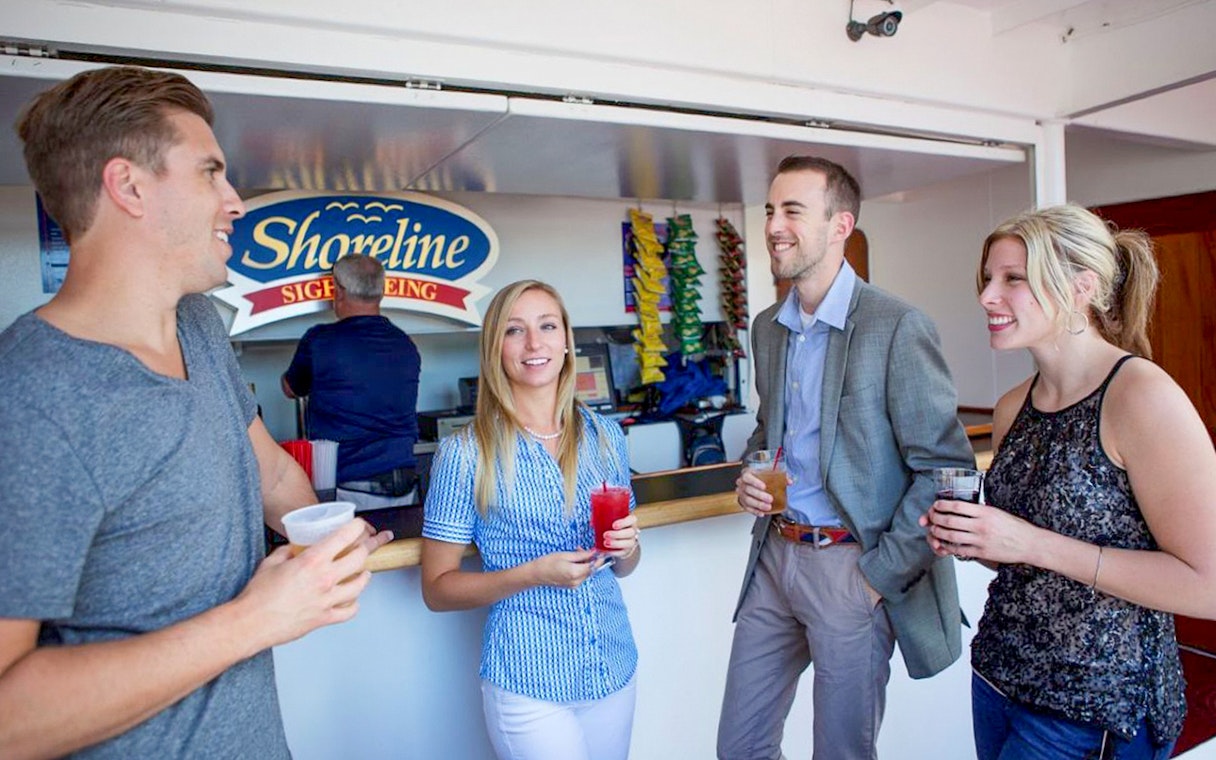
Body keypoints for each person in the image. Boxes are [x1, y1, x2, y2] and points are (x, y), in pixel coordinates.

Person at [0, 65, 392, 759]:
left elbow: (270, 473)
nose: (235, 200)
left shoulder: (200, 326)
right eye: (210, 172)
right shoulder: (31, 394)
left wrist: (330, 537)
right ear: (129, 187)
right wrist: (254, 621)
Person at [924, 204, 1216, 760]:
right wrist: (978, 541)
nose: (987, 296)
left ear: (1082, 287)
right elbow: (1026, 557)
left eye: (1012, 279)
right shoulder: (1015, 407)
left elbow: (1208, 584)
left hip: (1094, 707)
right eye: (988, 278)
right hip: (997, 679)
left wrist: (1029, 542)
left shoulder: (1141, 398)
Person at [718, 155, 975, 760]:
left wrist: (876, 579)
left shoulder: (897, 325)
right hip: (774, 557)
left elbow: (945, 470)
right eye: (770, 211)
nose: (775, 226)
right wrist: (753, 473)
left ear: (841, 226)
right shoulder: (767, 328)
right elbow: (769, 431)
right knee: (740, 747)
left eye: (793, 211)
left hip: (850, 571)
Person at [420, 279, 641, 760]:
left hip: (612, 662)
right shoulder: (465, 453)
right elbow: (437, 588)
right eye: (515, 331)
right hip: (530, 679)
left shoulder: (605, 436)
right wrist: (535, 573)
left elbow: (625, 562)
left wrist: (628, 549)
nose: (535, 343)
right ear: (495, 348)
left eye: (547, 326)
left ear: (566, 341)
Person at [282, 253, 422, 509]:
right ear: (381, 292)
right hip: (405, 483)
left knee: (353, 551)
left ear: (338, 291)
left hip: (351, 486)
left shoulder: (320, 341)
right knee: (398, 548)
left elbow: (291, 389)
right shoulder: (405, 343)